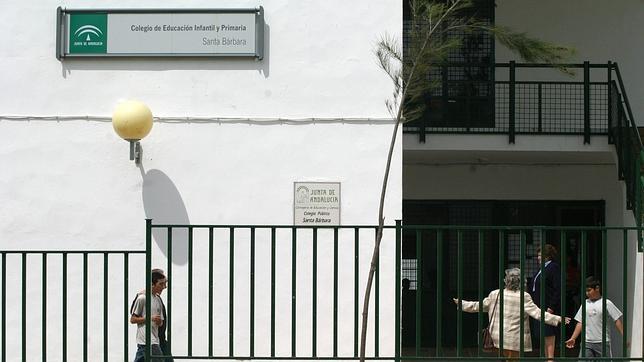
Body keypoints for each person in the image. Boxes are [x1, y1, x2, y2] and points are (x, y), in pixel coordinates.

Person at [453, 268, 569, 362]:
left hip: (498, 336)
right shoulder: (524, 296)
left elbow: (479, 306)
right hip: (514, 338)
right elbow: (538, 314)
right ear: (521, 281)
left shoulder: (496, 294)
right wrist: (558, 319)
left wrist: (462, 304)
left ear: (506, 280)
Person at [565, 276, 629, 359]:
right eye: (585, 291)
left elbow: (617, 320)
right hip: (587, 342)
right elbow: (580, 322)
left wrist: (624, 337)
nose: (587, 293)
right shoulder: (585, 303)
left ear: (597, 288)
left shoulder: (607, 303)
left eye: (589, 290)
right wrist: (573, 338)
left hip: (602, 342)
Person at [530, 244, 561, 361]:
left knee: (548, 333)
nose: (538, 257)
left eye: (541, 255)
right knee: (542, 333)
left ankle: (550, 359)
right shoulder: (541, 268)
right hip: (538, 306)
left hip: (547, 306)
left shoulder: (553, 267)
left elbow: (557, 288)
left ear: (548, 256)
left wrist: (551, 307)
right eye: (538, 255)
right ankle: (545, 357)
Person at [131, 268, 168, 361]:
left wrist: (159, 321)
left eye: (165, 283)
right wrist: (150, 318)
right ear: (152, 284)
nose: (164, 286)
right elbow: (133, 319)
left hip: (156, 339)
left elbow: (161, 323)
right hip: (148, 341)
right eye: (161, 284)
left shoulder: (158, 299)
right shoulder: (142, 298)